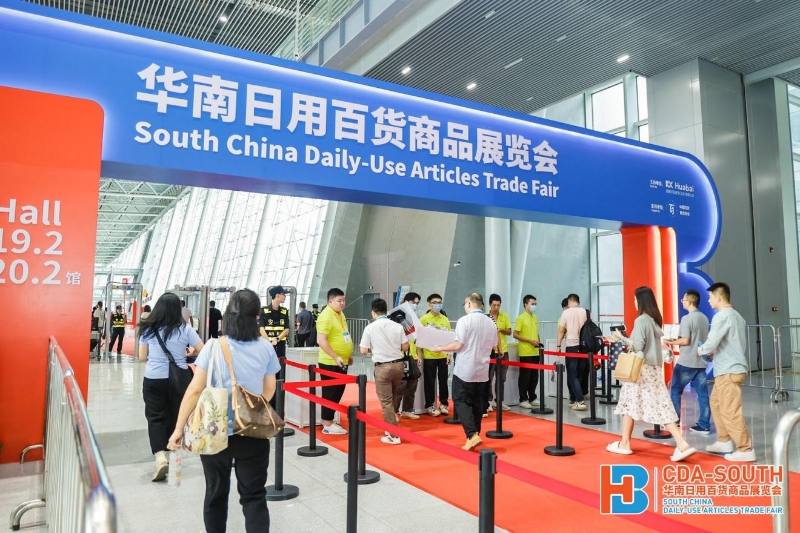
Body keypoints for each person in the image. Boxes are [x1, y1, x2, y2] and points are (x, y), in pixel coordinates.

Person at [168, 289, 279, 533]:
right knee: (254, 495)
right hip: (252, 432)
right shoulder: (265, 347)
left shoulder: (213, 346)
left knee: (215, 493)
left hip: (214, 430)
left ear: (228, 315)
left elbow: (195, 390)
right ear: (257, 317)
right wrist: (250, 408)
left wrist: (178, 429)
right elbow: (270, 389)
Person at [605, 286, 696, 462]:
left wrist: (620, 337)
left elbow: (638, 346)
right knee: (660, 405)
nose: (633, 302)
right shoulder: (654, 321)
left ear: (640, 300)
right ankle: (681, 443)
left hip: (640, 369)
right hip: (654, 369)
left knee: (629, 404)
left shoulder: (641, 320)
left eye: (634, 299)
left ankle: (625, 444)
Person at [138, 292, 204, 481]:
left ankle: (160, 458)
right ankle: (173, 456)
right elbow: (203, 349)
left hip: (153, 378)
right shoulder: (185, 328)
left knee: (155, 416)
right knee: (176, 416)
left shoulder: (148, 328)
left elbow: (142, 357)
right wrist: (187, 353)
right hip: (179, 379)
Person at [698, 282, 755, 462]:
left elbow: (711, 342)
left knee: (730, 411)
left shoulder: (721, 316)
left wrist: (700, 350)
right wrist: (713, 353)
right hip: (728, 368)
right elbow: (728, 343)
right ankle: (724, 440)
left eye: (710, 297)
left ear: (718, 298)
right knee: (716, 403)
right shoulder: (737, 316)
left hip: (728, 371)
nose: (708, 300)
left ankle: (745, 449)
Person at [433, 293, 497, 451]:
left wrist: (440, 348)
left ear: (468, 303)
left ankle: (471, 434)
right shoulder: (491, 322)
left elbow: (458, 344)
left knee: (460, 400)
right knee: (477, 404)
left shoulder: (465, 320)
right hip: (482, 370)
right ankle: (474, 435)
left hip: (465, 369)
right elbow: (494, 345)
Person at [359, 298, 409, 445]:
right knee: (393, 395)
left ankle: (393, 434)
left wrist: (374, 349)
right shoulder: (397, 326)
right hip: (398, 366)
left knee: (386, 401)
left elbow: (363, 350)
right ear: (386, 311)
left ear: (373, 313)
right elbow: (405, 347)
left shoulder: (370, 328)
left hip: (382, 367)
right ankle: (391, 423)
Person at [665, 289, 710, 434]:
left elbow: (685, 340)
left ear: (689, 302)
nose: (681, 302)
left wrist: (671, 342)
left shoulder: (687, 319)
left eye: (683, 300)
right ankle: (704, 424)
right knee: (703, 395)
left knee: (675, 391)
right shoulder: (704, 318)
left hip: (687, 361)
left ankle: (674, 421)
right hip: (701, 361)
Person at [316, 288, 351, 435]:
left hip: (341, 361)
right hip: (330, 362)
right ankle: (328, 423)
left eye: (343, 300)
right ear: (330, 301)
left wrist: (347, 355)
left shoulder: (340, 314)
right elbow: (321, 340)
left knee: (338, 392)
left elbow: (343, 335)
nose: (342, 303)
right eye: (339, 301)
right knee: (330, 393)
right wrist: (336, 356)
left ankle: (328, 419)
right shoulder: (326, 316)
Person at [419, 293, 452, 417]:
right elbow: (420, 339)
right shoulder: (424, 319)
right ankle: (430, 405)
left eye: (439, 302)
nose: (437, 305)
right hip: (429, 356)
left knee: (443, 381)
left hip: (443, 355)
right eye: (434, 302)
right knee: (429, 382)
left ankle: (444, 404)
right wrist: (419, 355)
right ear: (429, 304)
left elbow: (450, 338)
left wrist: (449, 354)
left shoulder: (445, 319)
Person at [557, 294, 588, 411]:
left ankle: (579, 400)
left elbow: (561, 330)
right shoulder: (586, 312)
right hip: (584, 346)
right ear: (578, 302)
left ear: (569, 302)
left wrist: (558, 345)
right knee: (580, 373)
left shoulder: (566, 313)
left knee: (572, 374)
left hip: (572, 345)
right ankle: (574, 399)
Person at [395, 292, 422, 419]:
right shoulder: (397, 316)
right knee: (400, 385)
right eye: (413, 302)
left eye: (417, 303)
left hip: (412, 356)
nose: (415, 305)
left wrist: (418, 355)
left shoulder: (414, 318)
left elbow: (418, 339)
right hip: (400, 356)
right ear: (406, 302)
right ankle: (394, 411)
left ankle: (407, 410)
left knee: (412, 384)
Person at [513, 294, 542, 409]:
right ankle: (523, 399)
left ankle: (532, 397)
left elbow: (536, 333)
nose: (534, 306)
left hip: (535, 351)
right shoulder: (520, 318)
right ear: (526, 305)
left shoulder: (535, 318)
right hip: (525, 352)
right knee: (525, 377)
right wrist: (529, 341)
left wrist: (539, 342)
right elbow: (515, 334)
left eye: (535, 304)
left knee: (534, 377)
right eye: (532, 304)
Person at [486, 294, 511, 413]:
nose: (496, 307)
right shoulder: (486, 317)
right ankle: (488, 401)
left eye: (498, 305)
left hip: (503, 351)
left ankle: (499, 401)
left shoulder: (504, 316)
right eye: (494, 305)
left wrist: (500, 329)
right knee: (488, 378)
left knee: (501, 378)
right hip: (490, 351)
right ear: (490, 305)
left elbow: (509, 331)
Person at [260, 286, 290, 359]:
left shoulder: (284, 311)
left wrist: (277, 339)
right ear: (277, 295)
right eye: (283, 294)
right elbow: (261, 328)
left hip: (280, 346)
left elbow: (287, 328)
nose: (285, 296)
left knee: (281, 364)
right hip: (266, 346)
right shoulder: (263, 311)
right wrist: (269, 343)